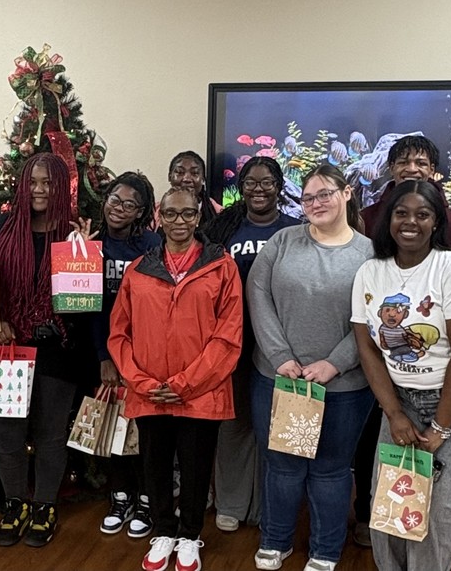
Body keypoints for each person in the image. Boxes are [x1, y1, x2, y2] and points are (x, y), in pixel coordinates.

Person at [351, 179, 451, 571]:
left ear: (437, 222)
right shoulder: (370, 272)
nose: (411, 222)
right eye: (401, 213)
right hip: (403, 399)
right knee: (388, 499)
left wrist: (441, 427)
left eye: (423, 214)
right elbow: (368, 347)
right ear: (388, 219)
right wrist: (395, 414)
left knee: (435, 507)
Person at [246, 164, 374, 571]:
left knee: (331, 470)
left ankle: (324, 550)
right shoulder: (283, 241)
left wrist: (335, 364)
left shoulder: (370, 254)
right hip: (278, 379)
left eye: (324, 194)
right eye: (307, 197)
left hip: (344, 387)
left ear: (347, 193)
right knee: (282, 464)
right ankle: (276, 540)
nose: (315, 203)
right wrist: (279, 356)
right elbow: (258, 295)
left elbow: (377, 318)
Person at [109, 186, 243, 571]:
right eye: (171, 214)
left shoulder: (222, 266)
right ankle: (163, 531)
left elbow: (228, 335)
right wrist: (142, 382)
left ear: (199, 217)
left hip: (200, 393)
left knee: (197, 466)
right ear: (158, 217)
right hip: (150, 391)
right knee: (154, 465)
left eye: (187, 214)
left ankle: (189, 535)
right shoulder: (139, 269)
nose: (179, 222)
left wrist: (184, 384)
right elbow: (120, 334)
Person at [353, 133, 451, 546]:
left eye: (422, 162)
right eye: (404, 161)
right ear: (390, 168)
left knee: (438, 486)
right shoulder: (366, 217)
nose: (412, 169)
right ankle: (369, 522)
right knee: (376, 458)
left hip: (440, 375)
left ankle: (424, 537)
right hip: (380, 366)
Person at [0, 152, 93, 549]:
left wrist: (85, 256)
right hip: (8, 350)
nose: (40, 190)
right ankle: (14, 503)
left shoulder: (75, 234)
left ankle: (44, 506)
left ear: (61, 187)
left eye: (49, 183)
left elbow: (84, 307)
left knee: (50, 435)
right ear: (23, 186)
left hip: (57, 351)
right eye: (34, 183)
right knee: (5, 434)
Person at [203, 156, 300, 534]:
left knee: (272, 430)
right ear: (240, 188)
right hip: (232, 342)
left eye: (266, 182)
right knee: (235, 424)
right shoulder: (225, 229)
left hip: (280, 344)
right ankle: (230, 502)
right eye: (250, 183)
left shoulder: (295, 231)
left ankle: (265, 507)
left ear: (279, 186)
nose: (258, 189)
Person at [92, 172, 161, 539]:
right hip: (105, 352)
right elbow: (88, 309)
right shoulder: (90, 243)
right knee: (115, 426)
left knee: (147, 430)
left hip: (145, 354)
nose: (119, 208)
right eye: (114, 200)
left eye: (130, 204)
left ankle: (149, 499)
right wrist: (105, 355)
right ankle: (120, 497)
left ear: (141, 212)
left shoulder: (151, 246)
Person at [158, 151, 221, 229]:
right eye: (180, 172)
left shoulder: (219, 213)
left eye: (194, 173)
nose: (187, 179)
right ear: (169, 177)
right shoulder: (153, 213)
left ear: (203, 179)